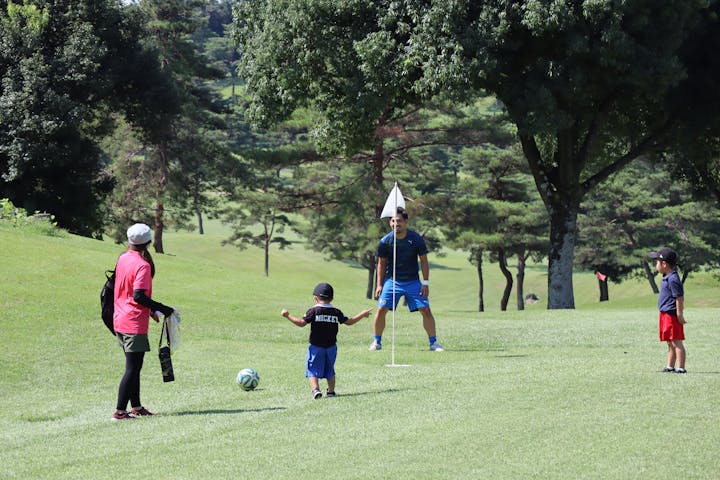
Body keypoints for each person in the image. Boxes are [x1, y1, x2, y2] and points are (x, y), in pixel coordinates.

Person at [112, 223, 175, 421]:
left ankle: (136, 407)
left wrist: (151, 310)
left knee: (134, 366)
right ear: (148, 242)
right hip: (133, 322)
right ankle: (120, 412)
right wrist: (164, 308)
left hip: (120, 319)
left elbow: (128, 290)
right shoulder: (143, 265)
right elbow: (138, 296)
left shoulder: (123, 258)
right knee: (132, 368)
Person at [369, 207, 443, 352]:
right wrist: (379, 285)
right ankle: (376, 342)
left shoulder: (415, 239)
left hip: (413, 281)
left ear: (406, 222)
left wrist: (425, 283)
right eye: (393, 221)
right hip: (392, 281)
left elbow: (424, 261)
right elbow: (381, 264)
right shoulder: (385, 241)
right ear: (389, 223)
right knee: (381, 309)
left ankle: (433, 343)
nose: (396, 224)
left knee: (425, 310)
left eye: (399, 221)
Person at [282, 282, 372, 399]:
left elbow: (301, 323)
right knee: (330, 369)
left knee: (312, 368)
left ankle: (315, 390)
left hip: (316, 346)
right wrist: (362, 314)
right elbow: (349, 322)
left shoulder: (313, 311)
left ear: (315, 298)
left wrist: (287, 315)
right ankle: (331, 391)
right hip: (331, 347)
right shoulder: (336, 312)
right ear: (332, 298)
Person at [649, 246, 687, 374]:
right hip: (665, 315)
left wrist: (679, 314)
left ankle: (681, 368)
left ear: (664, 264)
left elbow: (679, 298)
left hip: (672, 316)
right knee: (670, 342)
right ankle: (670, 366)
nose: (656, 265)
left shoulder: (673, 279)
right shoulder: (667, 276)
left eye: (657, 262)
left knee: (676, 342)